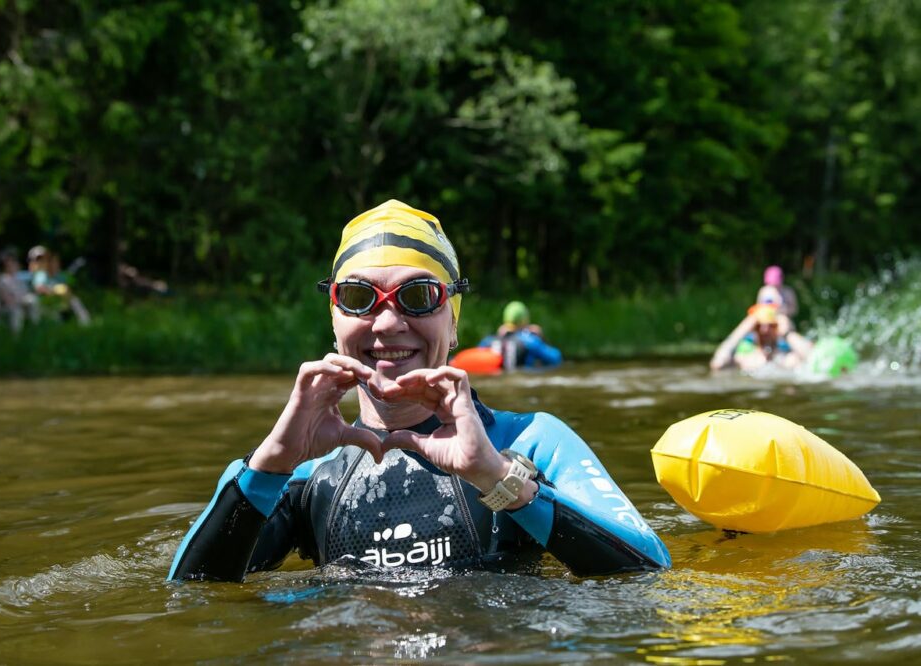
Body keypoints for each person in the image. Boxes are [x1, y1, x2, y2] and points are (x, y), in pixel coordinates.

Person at [168, 200, 670, 582]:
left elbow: (650, 571)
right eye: (360, 297)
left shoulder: (530, 441)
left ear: (452, 324)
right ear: (336, 322)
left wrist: (498, 479)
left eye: (418, 296)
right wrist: (268, 465)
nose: (388, 323)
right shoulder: (300, 473)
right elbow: (188, 597)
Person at [710, 300, 814, 372]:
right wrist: (742, 329)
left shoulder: (788, 355)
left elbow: (814, 359)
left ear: (778, 328)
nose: (764, 330)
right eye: (759, 325)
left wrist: (788, 333)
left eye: (771, 325)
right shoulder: (745, 355)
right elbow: (717, 364)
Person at [477, 301, 562, 370]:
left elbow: (477, 358)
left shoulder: (488, 341)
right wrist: (541, 337)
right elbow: (556, 358)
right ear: (525, 320)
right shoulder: (530, 341)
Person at [28, 246, 90, 325]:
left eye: (56, 262)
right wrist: (54, 291)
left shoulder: (59, 275)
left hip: (58, 302)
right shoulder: (41, 274)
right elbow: (39, 288)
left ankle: (85, 322)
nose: (54, 264)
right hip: (45, 303)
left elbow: (67, 288)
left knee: (74, 300)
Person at [0, 249, 41, 333]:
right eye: (9, 262)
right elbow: (7, 300)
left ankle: (35, 330)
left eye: (13, 262)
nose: (12, 264)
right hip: (7, 308)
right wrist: (21, 301)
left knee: (33, 301)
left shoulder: (19, 278)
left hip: (22, 304)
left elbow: (30, 289)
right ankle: (16, 338)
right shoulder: (2, 279)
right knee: (17, 311)